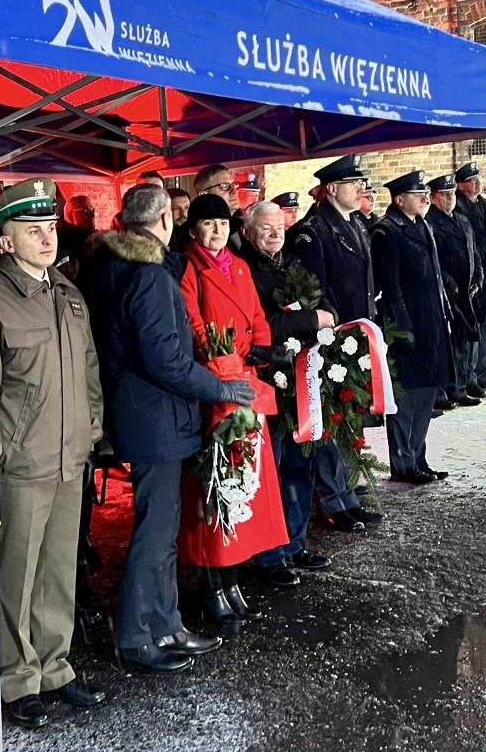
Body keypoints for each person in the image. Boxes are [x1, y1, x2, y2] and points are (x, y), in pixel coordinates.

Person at [0, 178, 108, 731]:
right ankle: (15, 678)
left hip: (68, 459)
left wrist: (92, 427)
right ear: (3, 241)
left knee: (58, 572)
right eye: (31, 229)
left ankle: (55, 666)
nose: (46, 237)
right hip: (19, 465)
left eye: (49, 227)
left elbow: (88, 369)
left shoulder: (66, 292)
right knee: (13, 576)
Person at [86, 184, 251, 674]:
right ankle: (137, 634)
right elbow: (167, 361)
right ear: (163, 222)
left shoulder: (117, 266)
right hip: (156, 416)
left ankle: (166, 622)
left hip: (147, 412)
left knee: (162, 527)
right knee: (155, 530)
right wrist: (223, 389)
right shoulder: (149, 276)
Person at [177, 193, 288, 627]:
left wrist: (260, 344)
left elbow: (257, 314)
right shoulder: (190, 268)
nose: (217, 230)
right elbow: (193, 323)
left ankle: (233, 574)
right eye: (208, 224)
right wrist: (220, 357)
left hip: (245, 381)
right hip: (216, 386)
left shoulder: (239, 267)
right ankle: (211, 581)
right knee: (219, 484)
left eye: (222, 223)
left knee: (248, 483)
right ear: (194, 230)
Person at [236, 201, 333, 586]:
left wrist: (324, 313)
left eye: (279, 227)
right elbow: (263, 325)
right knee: (271, 470)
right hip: (268, 381)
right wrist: (312, 319)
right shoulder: (247, 270)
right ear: (247, 232)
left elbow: (320, 300)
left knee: (299, 463)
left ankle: (293, 542)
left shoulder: (289, 262)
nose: (276, 234)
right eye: (266, 228)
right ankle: (270, 554)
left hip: (300, 382)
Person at [290, 154, 382, 532]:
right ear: (331, 190)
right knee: (330, 422)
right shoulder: (313, 231)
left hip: (357, 337)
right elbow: (316, 291)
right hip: (332, 340)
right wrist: (334, 335)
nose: (361, 188)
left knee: (351, 421)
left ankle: (347, 493)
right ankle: (332, 499)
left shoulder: (355, 223)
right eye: (352, 183)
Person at [371, 174, 452, 486]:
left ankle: (418, 457)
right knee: (406, 398)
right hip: (406, 325)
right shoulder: (388, 231)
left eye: (424, 193)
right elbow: (391, 286)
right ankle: (403, 463)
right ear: (398, 199)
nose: (424, 198)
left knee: (426, 394)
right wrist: (401, 327)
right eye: (417, 194)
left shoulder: (422, 224)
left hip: (430, 321)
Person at [427, 174, 482, 409]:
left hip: (467, 292)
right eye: (445, 195)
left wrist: (478, 276)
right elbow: (435, 259)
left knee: (463, 342)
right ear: (434, 197)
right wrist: (450, 284)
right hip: (447, 293)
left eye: (452, 194)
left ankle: (459, 387)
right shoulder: (430, 222)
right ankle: (442, 390)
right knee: (446, 344)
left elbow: (474, 252)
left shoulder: (463, 220)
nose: (450, 199)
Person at [455, 163, 486, 395]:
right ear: (461, 185)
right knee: (472, 329)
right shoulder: (458, 207)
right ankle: (470, 376)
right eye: (471, 180)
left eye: (478, 179)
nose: (477, 184)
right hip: (472, 275)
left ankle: (484, 373)